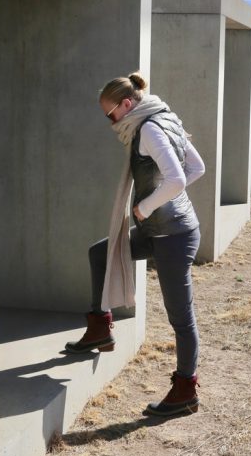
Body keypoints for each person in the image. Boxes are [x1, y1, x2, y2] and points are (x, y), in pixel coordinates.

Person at [66, 71, 206, 418]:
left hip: (172, 236)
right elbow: (197, 168)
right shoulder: (165, 118)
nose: (109, 121)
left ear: (127, 105)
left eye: (110, 113)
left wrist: (145, 207)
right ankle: (100, 328)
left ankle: (186, 390)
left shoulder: (150, 128)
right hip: (160, 230)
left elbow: (177, 178)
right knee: (102, 252)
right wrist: (158, 204)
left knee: (181, 318)